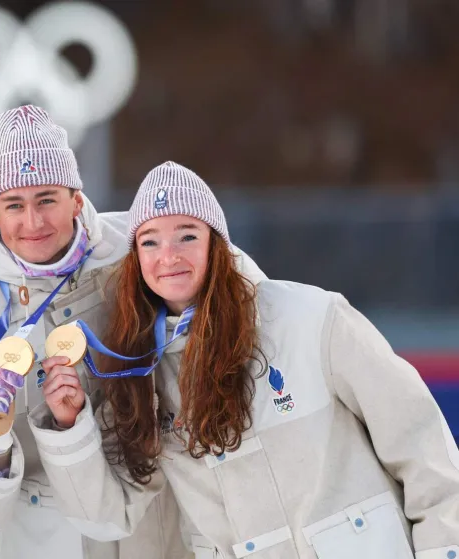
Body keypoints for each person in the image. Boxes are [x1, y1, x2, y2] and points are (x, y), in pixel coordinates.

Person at [30, 161, 459, 558]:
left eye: (187, 234)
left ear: (217, 243)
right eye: (150, 241)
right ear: (136, 258)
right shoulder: (139, 375)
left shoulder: (311, 318)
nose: (168, 255)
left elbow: (421, 446)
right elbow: (109, 513)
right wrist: (68, 425)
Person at [0, 105, 195, 559]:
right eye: (14, 205)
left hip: (159, 532)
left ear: (76, 199)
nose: (33, 222)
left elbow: (237, 296)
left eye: (47, 200)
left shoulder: (143, 253)